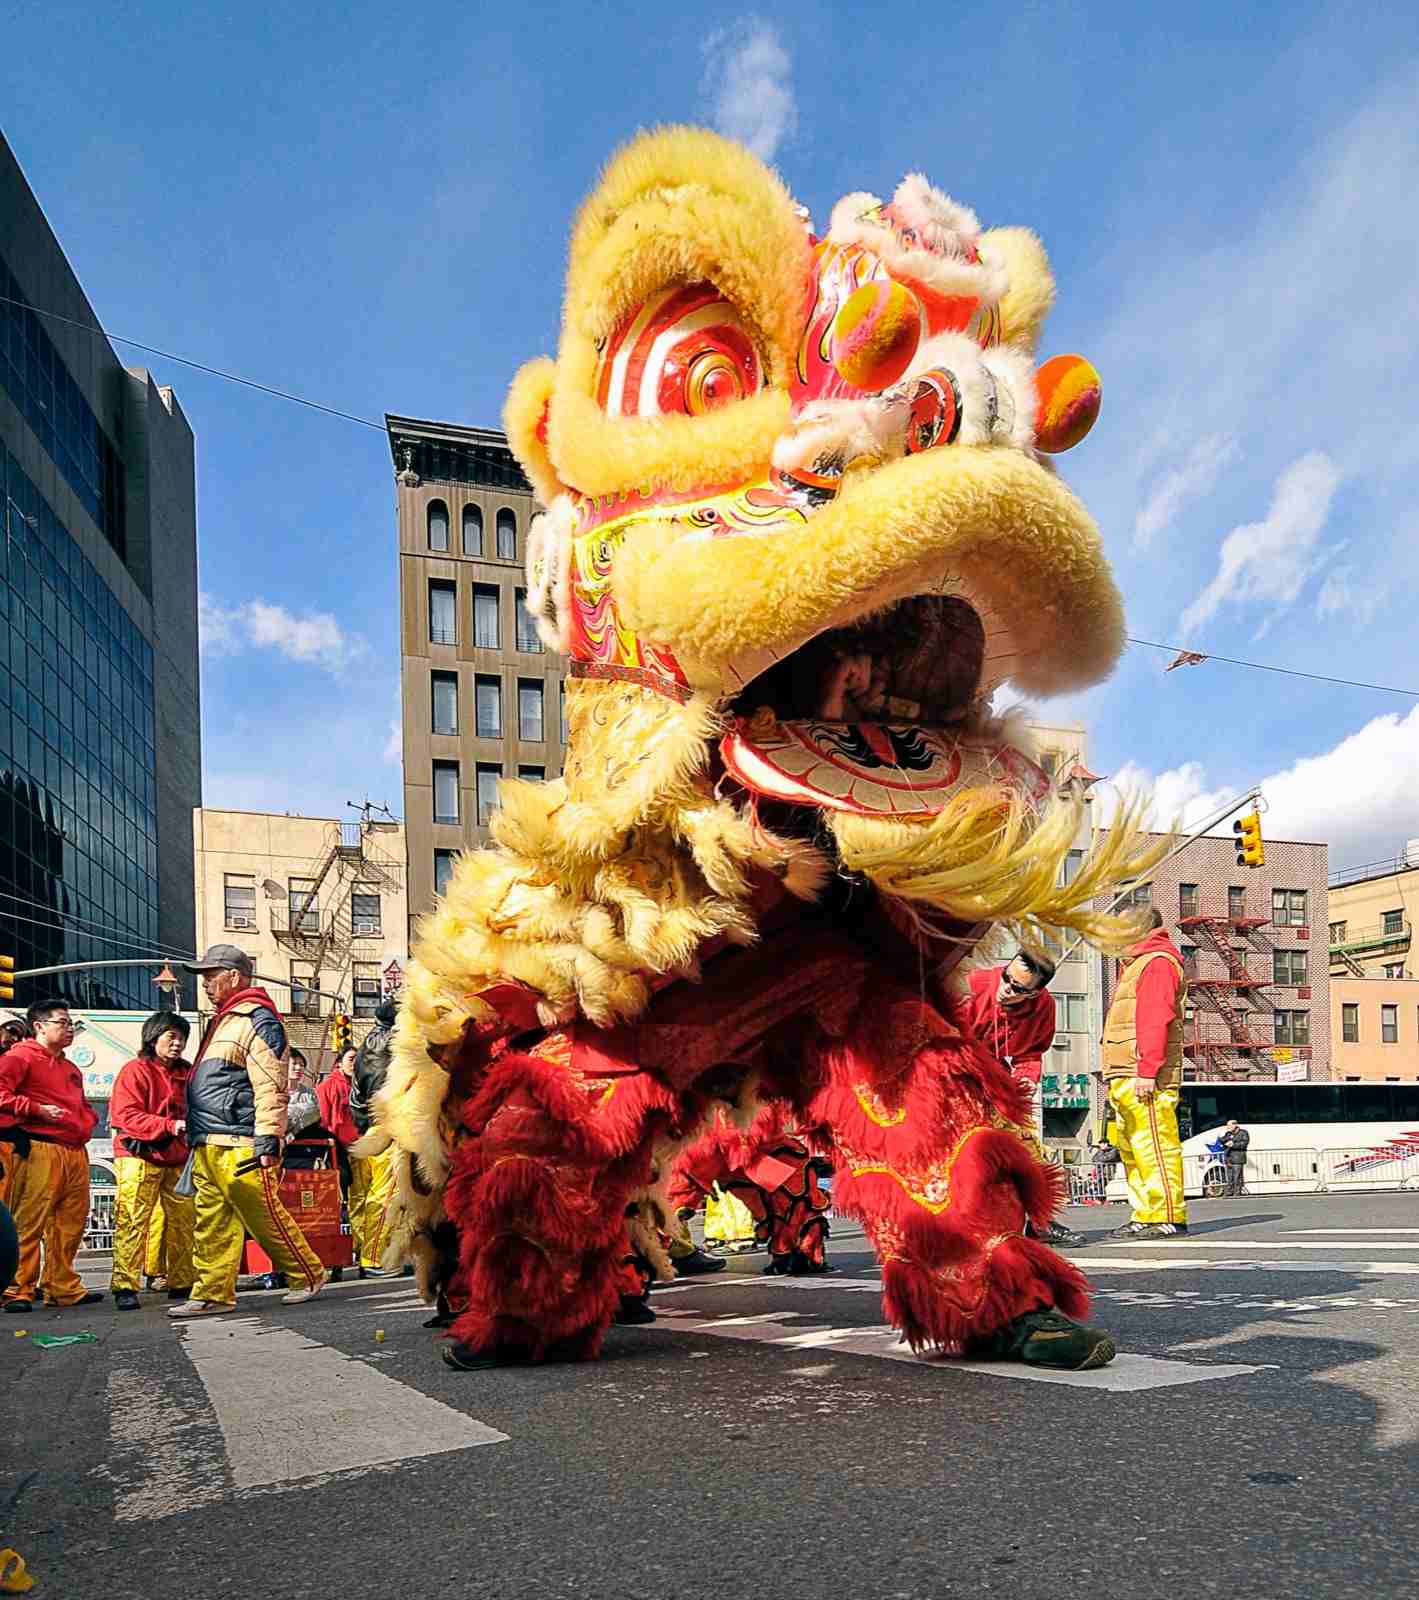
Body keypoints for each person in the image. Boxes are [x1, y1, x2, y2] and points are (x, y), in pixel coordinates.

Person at [169, 945, 327, 1318]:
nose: (205, 984)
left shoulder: (257, 1018)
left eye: (211, 976)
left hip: (240, 1139)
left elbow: (271, 1083)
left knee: (264, 1213)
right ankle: (212, 1292)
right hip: (211, 1138)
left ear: (234, 976)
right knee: (211, 1220)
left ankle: (307, 1273)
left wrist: (268, 1138)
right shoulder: (226, 1019)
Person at [964, 950, 1086, 1249]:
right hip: (951, 1070)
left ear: (1035, 993)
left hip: (996, 1076)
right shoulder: (973, 984)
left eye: (1018, 988)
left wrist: (1026, 1081)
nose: (1006, 989)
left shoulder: (1044, 1007)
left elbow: (1030, 1053)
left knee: (1027, 1144)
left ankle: (1040, 1222)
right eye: (1007, 978)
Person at [0, 999, 103, 1312]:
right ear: (39, 1026)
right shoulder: (19, 1057)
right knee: (29, 1220)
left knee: (71, 1223)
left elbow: (81, 1105)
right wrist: (36, 1109)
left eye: (70, 1022)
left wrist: (87, 1120)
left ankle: (62, 1286)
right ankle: (18, 1289)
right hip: (40, 1146)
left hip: (74, 1149)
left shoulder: (70, 1068)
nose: (69, 1028)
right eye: (62, 1022)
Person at [1104, 910, 1189, 1239]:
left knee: (1152, 1144)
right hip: (1129, 1070)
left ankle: (1166, 1214)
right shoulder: (1140, 963)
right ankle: (1146, 1212)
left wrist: (1147, 1069)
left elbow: (1156, 1017)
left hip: (1142, 1071)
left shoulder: (1156, 962)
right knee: (1134, 1146)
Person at [108, 1011, 196, 1310]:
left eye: (182, 1037)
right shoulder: (134, 1070)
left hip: (178, 1156)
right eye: (171, 1036)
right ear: (153, 1037)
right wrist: (169, 1126)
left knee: (184, 1220)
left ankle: (182, 1280)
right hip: (138, 1154)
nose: (178, 1043)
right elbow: (126, 1116)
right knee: (132, 1220)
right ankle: (124, 1285)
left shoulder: (189, 1072)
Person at [318, 1042, 396, 1276]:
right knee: (374, 1199)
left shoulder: (357, 1080)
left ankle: (365, 1253)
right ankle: (370, 1257)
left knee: (362, 1201)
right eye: (350, 1058)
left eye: (355, 1058)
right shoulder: (331, 1085)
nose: (354, 1063)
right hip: (355, 1146)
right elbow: (326, 1119)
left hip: (359, 1144)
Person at [1220, 1119, 1250, 1196]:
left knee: (1237, 1176)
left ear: (1235, 1125)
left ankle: (1237, 1192)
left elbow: (1244, 1144)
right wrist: (1225, 1139)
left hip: (1238, 1158)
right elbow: (1222, 1140)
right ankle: (1230, 1191)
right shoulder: (1228, 1133)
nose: (1227, 1127)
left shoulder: (1243, 1133)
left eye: (1229, 1126)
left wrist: (1233, 1144)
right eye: (1227, 1126)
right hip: (1229, 1158)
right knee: (1229, 1176)